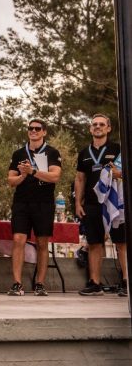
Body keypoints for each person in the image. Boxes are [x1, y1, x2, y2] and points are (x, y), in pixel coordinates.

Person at [6, 119, 61, 296]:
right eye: (30, 128)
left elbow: (54, 177)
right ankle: (16, 283)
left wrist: (33, 172)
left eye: (37, 129)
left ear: (44, 132)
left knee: (42, 242)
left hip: (44, 203)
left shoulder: (52, 152)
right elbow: (10, 181)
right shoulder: (19, 153)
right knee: (18, 240)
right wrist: (23, 175)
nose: (33, 131)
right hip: (22, 202)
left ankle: (40, 284)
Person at [75, 114, 127, 297]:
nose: (98, 127)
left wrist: (119, 173)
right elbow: (80, 179)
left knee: (121, 243)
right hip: (91, 204)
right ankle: (95, 283)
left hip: (114, 204)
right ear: (90, 129)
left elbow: (123, 173)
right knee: (94, 243)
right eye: (94, 124)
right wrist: (77, 203)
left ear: (108, 128)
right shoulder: (84, 153)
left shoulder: (119, 149)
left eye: (101, 124)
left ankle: (126, 283)